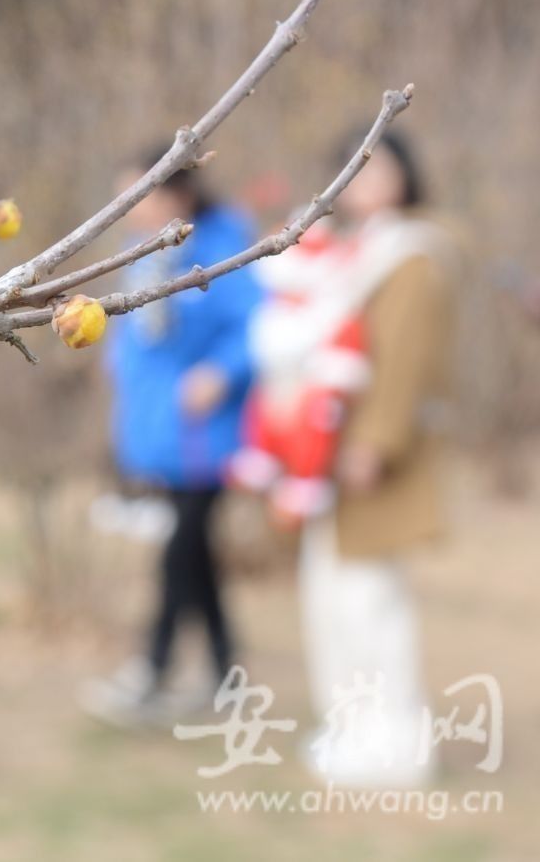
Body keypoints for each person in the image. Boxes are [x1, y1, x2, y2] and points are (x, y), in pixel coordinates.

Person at [276, 130, 453, 788]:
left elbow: (404, 362)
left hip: (371, 460)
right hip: (326, 452)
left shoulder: (411, 255)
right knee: (331, 596)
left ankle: (397, 745)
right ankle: (351, 727)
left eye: (381, 169)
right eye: (356, 170)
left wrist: (374, 445)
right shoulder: (348, 254)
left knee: (372, 601)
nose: (368, 183)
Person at [79, 154, 261, 727]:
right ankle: (227, 671)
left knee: (179, 552)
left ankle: (152, 670)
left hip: (207, 433)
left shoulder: (226, 248)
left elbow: (259, 327)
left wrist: (222, 373)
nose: (131, 211)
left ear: (178, 195)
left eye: (141, 198)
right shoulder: (146, 259)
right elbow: (135, 340)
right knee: (196, 556)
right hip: (160, 430)